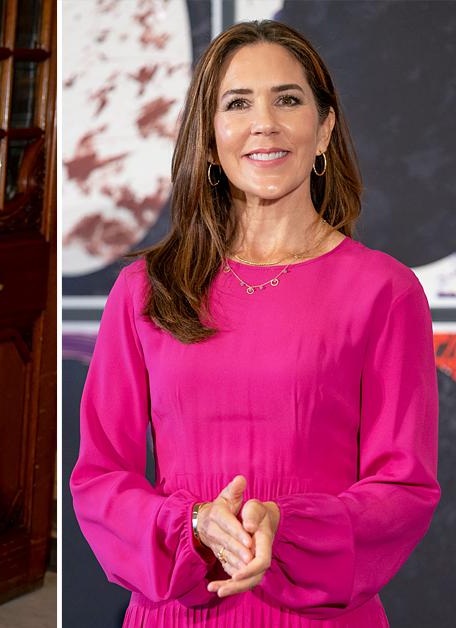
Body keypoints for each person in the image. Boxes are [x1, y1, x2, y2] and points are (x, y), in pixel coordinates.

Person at [69, 20, 439, 626]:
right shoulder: (145, 289)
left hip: (317, 614)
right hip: (179, 608)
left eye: (288, 99)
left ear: (324, 130)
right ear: (210, 140)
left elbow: (403, 487)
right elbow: (100, 477)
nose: (264, 122)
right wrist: (191, 525)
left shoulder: (385, 291)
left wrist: (285, 528)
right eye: (237, 103)